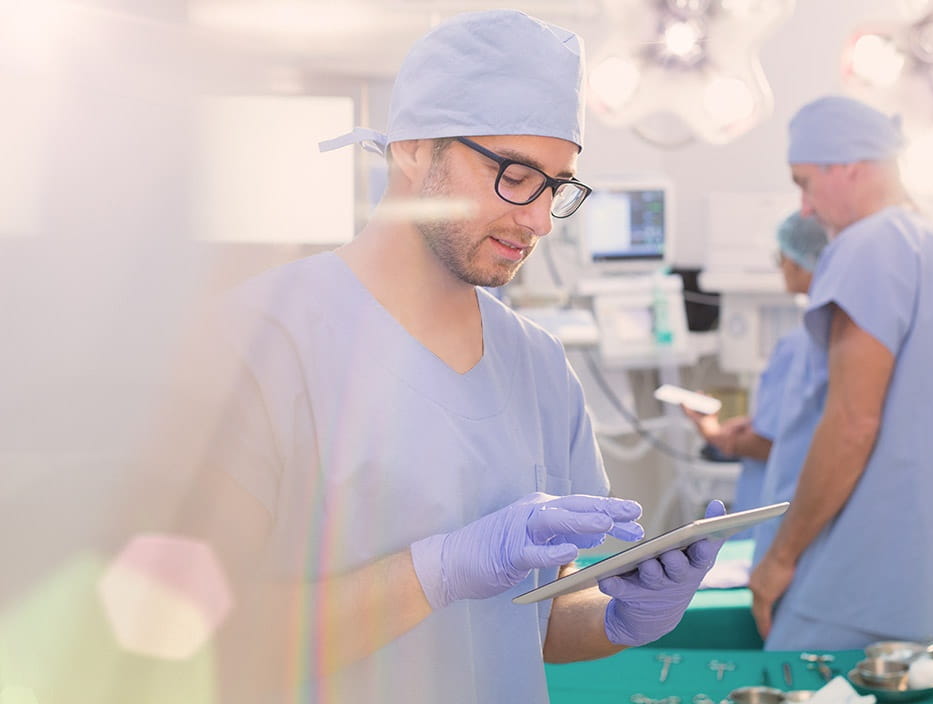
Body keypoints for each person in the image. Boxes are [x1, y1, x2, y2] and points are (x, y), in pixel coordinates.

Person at [178, 10, 725, 703]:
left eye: (557, 187)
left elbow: (544, 618)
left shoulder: (539, 368)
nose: (536, 219)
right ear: (412, 147)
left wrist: (623, 619)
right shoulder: (261, 344)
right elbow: (214, 645)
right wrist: (439, 569)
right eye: (516, 174)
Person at [747, 95, 933, 650]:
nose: (806, 208)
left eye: (805, 182)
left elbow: (851, 424)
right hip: (928, 583)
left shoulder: (868, 246)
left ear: (847, 166)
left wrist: (780, 558)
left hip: (846, 577)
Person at [683, 213, 829, 529]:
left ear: (799, 261)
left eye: (781, 256)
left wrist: (716, 434)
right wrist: (754, 423)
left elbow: (772, 445)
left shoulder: (798, 346)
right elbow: (807, 423)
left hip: (777, 511)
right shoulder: (836, 338)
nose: (780, 266)